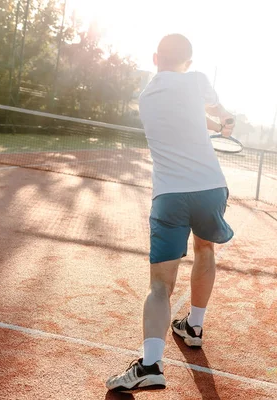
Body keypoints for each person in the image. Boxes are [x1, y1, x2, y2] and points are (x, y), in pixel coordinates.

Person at [105, 34, 235, 393]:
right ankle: (194, 326)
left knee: (160, 285)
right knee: (205, 250)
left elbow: (186, 116)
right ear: (189, 63)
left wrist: (215, 122)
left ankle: (150, 364)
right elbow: (215, 113)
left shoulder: (146, 97)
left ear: (154, 58)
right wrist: (225, 120)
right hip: (211, 187)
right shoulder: (197, 81)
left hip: (169, 195)